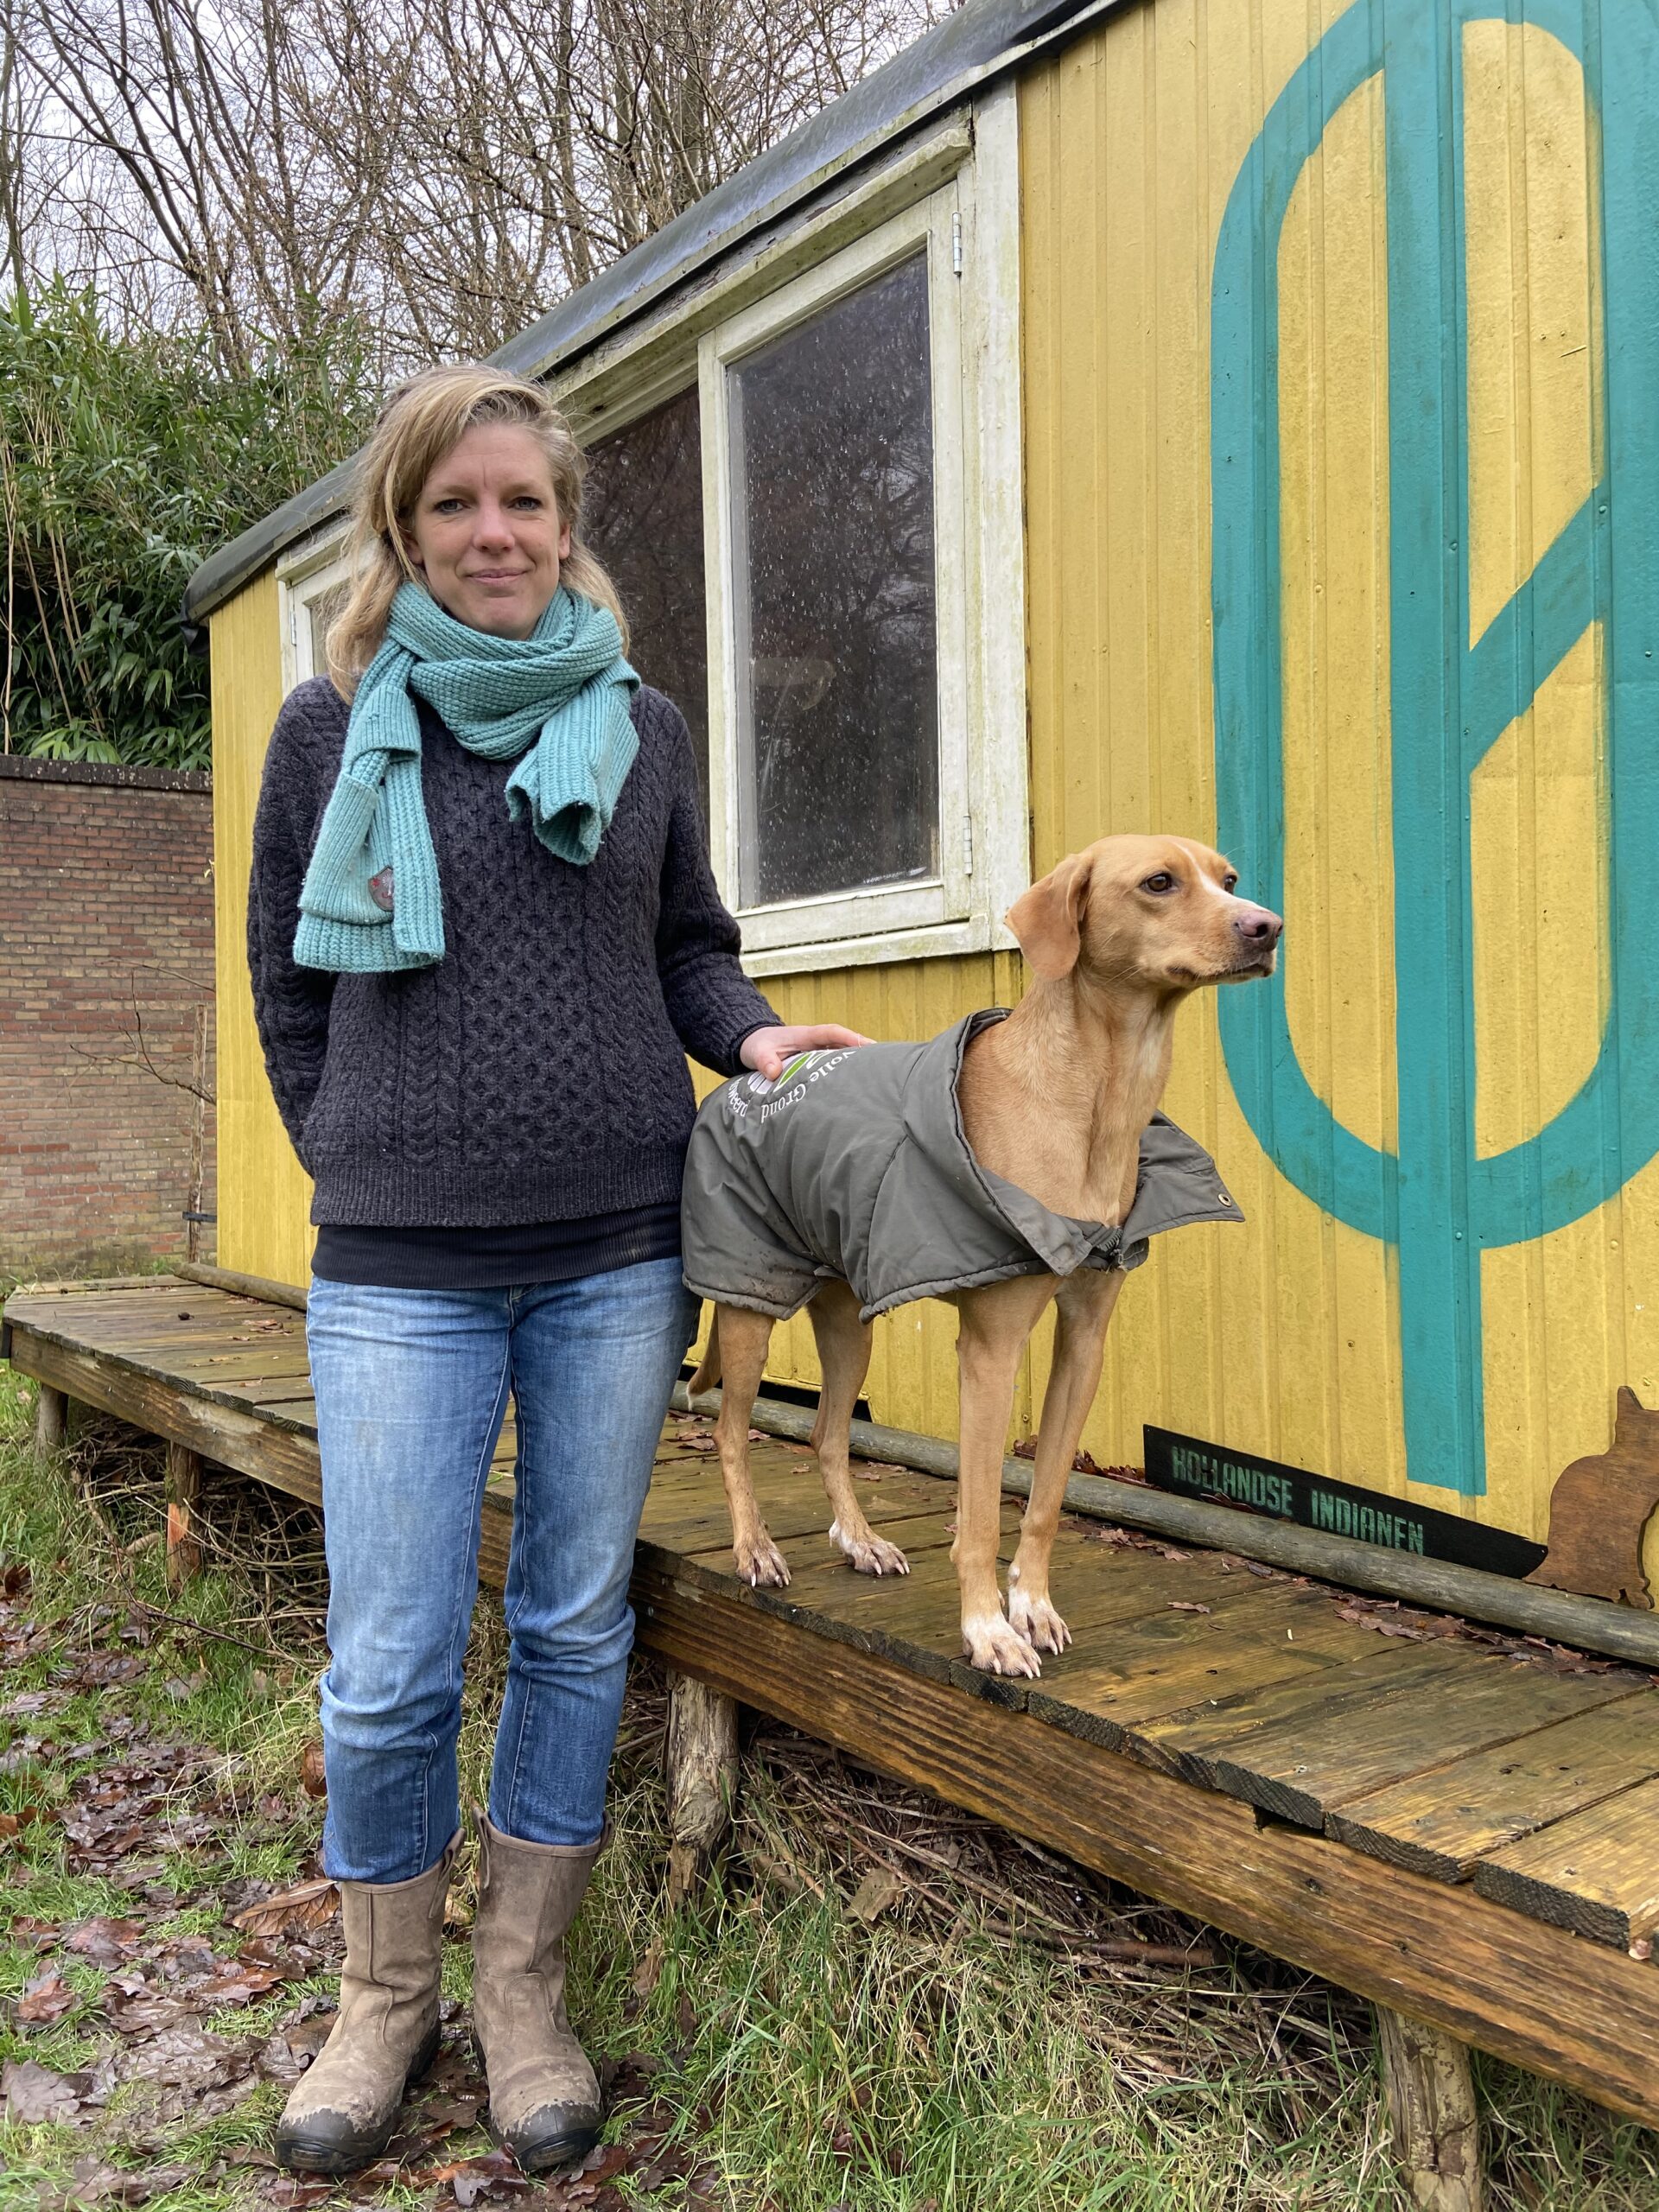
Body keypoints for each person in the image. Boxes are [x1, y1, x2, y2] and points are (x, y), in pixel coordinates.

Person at [246, 363, 867, 2178]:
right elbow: (288, 982)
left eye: (524, 500)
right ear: (404, 527)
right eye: (456, 503)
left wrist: (751, 1039)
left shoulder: (641, 724)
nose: (495, 532)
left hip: (614, 1252)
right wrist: (353, 1147)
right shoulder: (330, 723)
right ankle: (382, 1997)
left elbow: (689, 946)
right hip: (398, 1266)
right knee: (390, 1658)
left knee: (578, 1626)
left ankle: (522, 1987)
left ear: (568, 522)